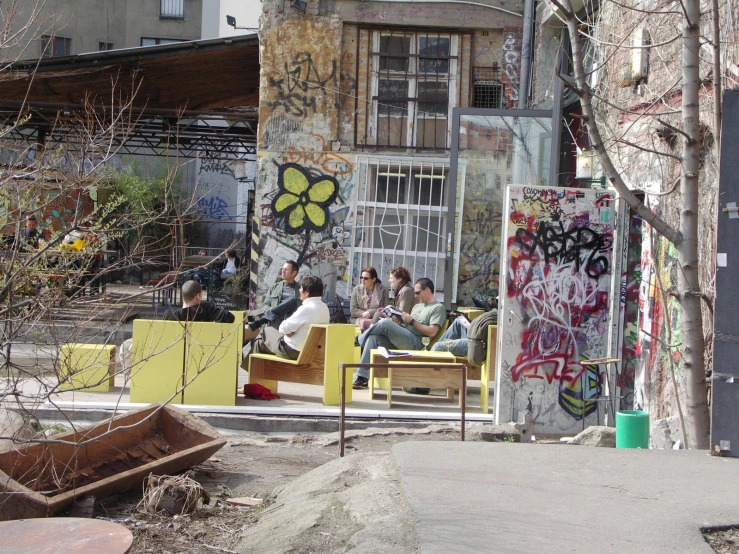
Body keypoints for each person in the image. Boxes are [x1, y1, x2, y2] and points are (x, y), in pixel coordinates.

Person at [352, 277, 446, 389]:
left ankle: (359, 340)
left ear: (427, 290)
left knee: (385, 324)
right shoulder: (417, 306)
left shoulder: (438, 308)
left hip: (417, 343)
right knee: (374, 338)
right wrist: (398, 319)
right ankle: (362, 377)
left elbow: (432, 332)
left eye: (417, 292)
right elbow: (409, 325)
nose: (415, 296)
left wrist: (411, 321)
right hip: (405, 337)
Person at [242, 275, 329, 364]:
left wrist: (289, 331)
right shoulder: (324, 308)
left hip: (293, 350)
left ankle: (250, 371)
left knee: (265, 332)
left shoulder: (306, 309)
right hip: (312, 351)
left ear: (307, 292)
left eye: (301, 288)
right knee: (259, 342)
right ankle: (252, 369)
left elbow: (282, 328)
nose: (299, 290)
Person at [248, 260, 302, 332]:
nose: (282, 271)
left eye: (286, 270)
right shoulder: (274, 287)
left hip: (290, 323)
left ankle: (261, 321)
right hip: (273, 322)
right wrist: (274, 312)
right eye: (282, 269)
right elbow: (265, 305)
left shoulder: (301, 290)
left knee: (292, 301)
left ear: (294, 273)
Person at [165, 280, 235, 323]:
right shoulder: (205, 310)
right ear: (198, 296)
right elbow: (230, 317)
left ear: (183, 295)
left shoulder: (169, 315)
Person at [350, 267, 390, 331]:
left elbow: (386, 309)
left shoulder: (383, 290)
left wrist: (370, 312)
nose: (362, 280)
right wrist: (364, 314)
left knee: (375, 324)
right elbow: (353, 310)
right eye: (361, 277)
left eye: (365, 278)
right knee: (364, 323)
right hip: (359, 319)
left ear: (373, 279)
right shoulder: (356, 289)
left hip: (377, 319)